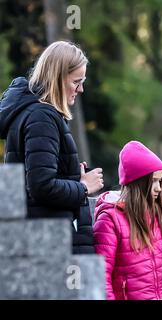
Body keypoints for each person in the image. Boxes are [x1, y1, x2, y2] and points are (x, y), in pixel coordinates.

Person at [0, 41, 103, 254]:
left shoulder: (32, 113)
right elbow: (41, 186)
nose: (81, 89)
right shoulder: (42, 117)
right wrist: (84, 187)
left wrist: (71, 173)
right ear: (57, 78)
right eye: (76, 81)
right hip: (48, 243)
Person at [93, 141, 162, 300]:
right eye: (153, 182)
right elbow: (101, 278)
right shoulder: (110, 220)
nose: (159, 188)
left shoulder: (161, 218)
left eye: (160, 181)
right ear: (138, 184)